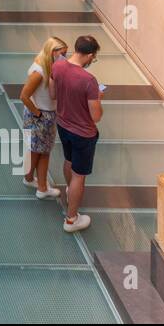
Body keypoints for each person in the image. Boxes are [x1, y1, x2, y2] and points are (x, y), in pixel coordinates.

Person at [52, 35, 104, 233]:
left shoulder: (58, 66)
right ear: (90, 55)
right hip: (83, 133)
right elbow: (96, 116)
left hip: (63, 125)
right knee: (79, 175)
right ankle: (71, 219)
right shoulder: (89, 80)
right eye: (94, 57)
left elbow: (52, 94)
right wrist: (98, 98)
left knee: (69, 160)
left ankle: (69, 190)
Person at [20, 36, 67, 199]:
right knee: (40, 151)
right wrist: (38, 114)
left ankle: (35, 182)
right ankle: (38, 185)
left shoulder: (47, 67)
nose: (64, 57)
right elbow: (24, 95)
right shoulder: (39, 72)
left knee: (39, 150)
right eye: (62, 53)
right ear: (52, 51)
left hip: (43, 113)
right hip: (40, 114)